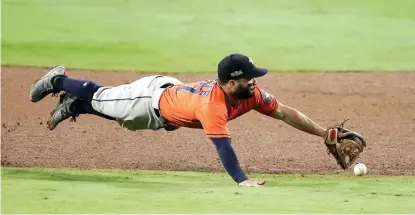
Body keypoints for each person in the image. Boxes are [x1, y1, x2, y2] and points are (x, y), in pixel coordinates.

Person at [29, 53, 364, 187]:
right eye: (250, 78)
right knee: (102, 96)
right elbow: (224, 148)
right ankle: (59, 81)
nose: (256, 82)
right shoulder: (213, 107)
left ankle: (73, 107)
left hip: (168, 108)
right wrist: (242, 181)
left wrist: (324, 133)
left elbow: (285, 112)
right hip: (150, 98)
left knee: (122, 120)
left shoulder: (250, 95)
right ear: (232, 83)